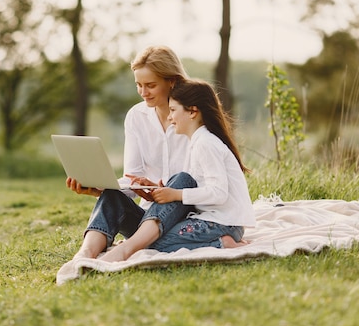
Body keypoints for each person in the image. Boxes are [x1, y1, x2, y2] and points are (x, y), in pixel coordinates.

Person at [99, 78, 256, 262]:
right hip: (212, 220)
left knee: (150, 242)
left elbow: (218, 193)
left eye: (173, 110)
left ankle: (222, 243)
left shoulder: (205, 144)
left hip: (223, 223)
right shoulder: (198, 141)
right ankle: (132, 245)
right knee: (148, 237)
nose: (169, 117)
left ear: (192, 112)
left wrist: (176, 195)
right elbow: (201, 186)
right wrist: (161, 189)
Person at [66, 45, 193, 260]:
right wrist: (100, 188)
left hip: (187, 219)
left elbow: (198, 180)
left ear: (172, 80)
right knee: (112, 194)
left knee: (181, 180)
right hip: (147, 223)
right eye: (139, 85)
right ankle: (85, 255)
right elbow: (131, 178)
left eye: (151, 85)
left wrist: (161, 190)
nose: (143, 93)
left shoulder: (193, 115)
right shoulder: (136, 116)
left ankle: (125, 250)